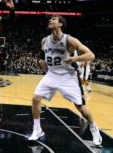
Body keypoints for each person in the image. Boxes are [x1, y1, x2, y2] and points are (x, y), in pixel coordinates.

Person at [29, 15, 102, 146]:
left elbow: (91, 55)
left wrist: (73, 59)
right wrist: (42, 64)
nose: (50, 20)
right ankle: (37, 129)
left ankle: (94, 127)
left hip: (68, 76)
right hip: (51, 75)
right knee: (36, 98)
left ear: (60, 24)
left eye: (53, 19)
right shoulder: (44, 40)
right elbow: (42, 57)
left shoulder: (69, 40)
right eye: (50, 19)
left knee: (81, 108)